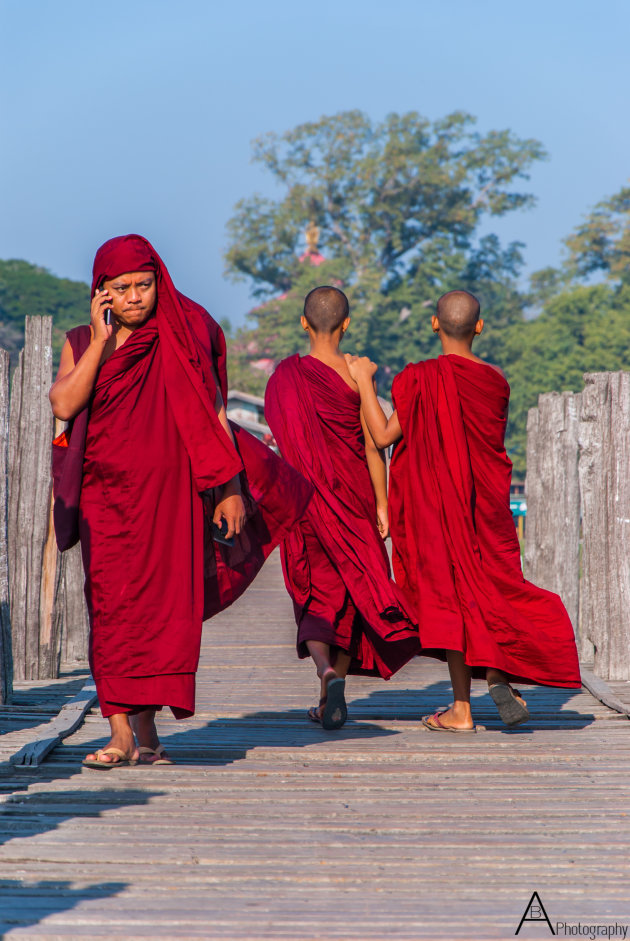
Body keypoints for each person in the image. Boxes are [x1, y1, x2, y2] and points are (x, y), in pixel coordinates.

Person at [50, 234, 311, 768]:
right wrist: (101, 343)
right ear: (100, 292)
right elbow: (65, 401)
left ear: (159, 281)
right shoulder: (81, 340)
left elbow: (212, 414)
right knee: (111, 606)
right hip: (106, 498)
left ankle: (146, 732)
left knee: (162, 610)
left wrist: (231, 487)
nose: (134, 298)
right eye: (120, 289)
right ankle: (119, 730)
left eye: (143, 285)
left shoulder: (184, 333)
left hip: (170, 497)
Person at [346, 290, 581, 732]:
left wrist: (364, 382)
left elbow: (381, 436)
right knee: (488, 587)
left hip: (435, 511)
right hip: (483, 509)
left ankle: (461, 709)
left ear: (435, 324)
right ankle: (496, 674)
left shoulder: (418, 379)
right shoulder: (495, 383)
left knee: (449, 595)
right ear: (479, 327)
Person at [265, 286, 418, 729]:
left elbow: (283, 443)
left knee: (312, 592)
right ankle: (335, 690)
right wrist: (383, 505)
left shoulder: (285, 378)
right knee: (352, 592)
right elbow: (375, 447)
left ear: (303, 323)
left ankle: (324, 672)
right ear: (346, 323)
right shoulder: (356, 375)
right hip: (354, 501)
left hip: (305, 503)